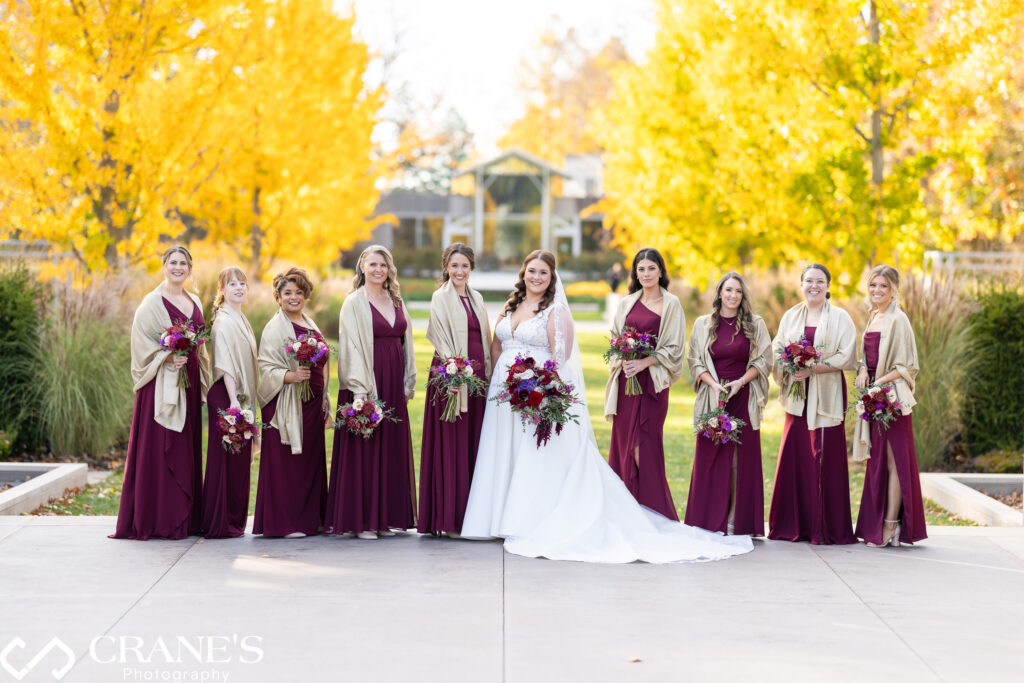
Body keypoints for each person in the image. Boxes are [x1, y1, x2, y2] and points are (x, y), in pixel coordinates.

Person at [461, 250, 753, 563]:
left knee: (536, 454)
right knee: (503, 451)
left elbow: (560, 358)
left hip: (538, 389)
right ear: (523, 272)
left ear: (552, 278)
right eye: (531, 270)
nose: (536, 277)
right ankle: (496, 517)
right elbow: (496, 343)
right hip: (503, 393)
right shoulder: (511, 303)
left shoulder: (555, 310)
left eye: (543, 273)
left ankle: (530, 517)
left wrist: (545, 389)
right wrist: (494, 379)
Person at [112, 246, 209, 540]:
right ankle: (159, 519)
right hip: (159, 387)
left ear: (189, 268)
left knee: (185, 445)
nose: (178, 268)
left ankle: (186, 518)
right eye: (172, 263)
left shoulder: (195, 301)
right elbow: (141, 344)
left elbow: (201, 345)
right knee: (163, 446)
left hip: (187, 383)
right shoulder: (151, 303)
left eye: (183, 263)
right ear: (164, 266)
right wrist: (166, 357)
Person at [325, 246, 417, 539]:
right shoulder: (354, 302)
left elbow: (407, 343)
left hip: (393, 381)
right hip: (366, 380)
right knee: (366, 448)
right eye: (373, 264)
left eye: (384, 265)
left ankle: (384, 518)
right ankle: (362, 521)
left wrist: (406, 380)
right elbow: (350, 348)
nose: (379, 269)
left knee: (389, 448)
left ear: (390, 269)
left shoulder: (396, 299)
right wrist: (360, 393)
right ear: (362, 266)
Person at [768, 264, 858, 545]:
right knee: (795, 455)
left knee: (824, 455)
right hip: (797, 395)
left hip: (827, 395)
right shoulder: (791, 316)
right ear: (801, 285)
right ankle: (792, 525)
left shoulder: (841, 317)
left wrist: (813, 368)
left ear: (828, 286)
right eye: (809, 281)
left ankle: (825, 527)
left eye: (820, 281)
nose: (814, 286)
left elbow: (847, 356)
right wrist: (788, 364)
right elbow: (777, 348)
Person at [685, 272, 773, 536]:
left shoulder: (755, 324)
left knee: (738, 460)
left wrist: (741, 382)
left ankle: (736, 518)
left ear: (743, 296)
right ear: (720, 293)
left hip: (742, 397)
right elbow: (694, 361)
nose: (733, 296)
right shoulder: (703, 324)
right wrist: (713, 385)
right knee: (710, 458)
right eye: (728, 290)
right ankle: (708, 519)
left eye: (738, 291)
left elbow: (764, 360)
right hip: (713, 399)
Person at [603, 248, 685, 519]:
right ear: (635, 273)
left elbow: (674, 348)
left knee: (644, 446)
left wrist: (645, 362)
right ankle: (627, 513)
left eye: (651, 268)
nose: (646, 274)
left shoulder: (671, 303)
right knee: (624, 444)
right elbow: (615, 335)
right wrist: (624, 355)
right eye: (641, 269)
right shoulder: (627, 302)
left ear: (661, 271)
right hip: (627, 383)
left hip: (652, 386)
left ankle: (656, 513)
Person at [418, 244, 491, 537]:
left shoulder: (477, 298)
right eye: (454, 265)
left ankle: (472, 517)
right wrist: (456, 369)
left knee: (473, 444)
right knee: (452, 445)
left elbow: (485, 335)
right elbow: (439, 335)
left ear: (471, 268)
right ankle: (449, 519)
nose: (459, 271)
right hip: (452, 377)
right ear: (446, 267)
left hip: (477, 379)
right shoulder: (440, 297)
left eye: (465, 266)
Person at [253, 267, 330, 538]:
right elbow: (265, 365)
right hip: (286, 404)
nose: (293, 297)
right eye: (287, 293)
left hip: (311, 405)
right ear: (278, 297)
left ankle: (312, 519)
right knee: (287, 462)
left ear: (306, 295)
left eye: (299, 292)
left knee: (309, 462)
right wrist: (291, 375)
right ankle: (286, 523)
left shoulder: (310, 323)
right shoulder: (275, 328)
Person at [853, 265, 927, 547]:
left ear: (893, 289)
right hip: (875, 398)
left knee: (895, 461)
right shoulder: (874, 316)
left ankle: (891, 526)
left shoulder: (899, 319)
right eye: (873, 286)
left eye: (883, 286)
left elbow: (907, 365)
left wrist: (879, 381)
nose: (877, 291)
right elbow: (867, 357)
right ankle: (880, 521)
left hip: (892, 400)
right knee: (879, 462)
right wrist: (862, 370)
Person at [201, 266, 258, 539]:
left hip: (238, 398)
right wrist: (234, 402)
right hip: (228, 396)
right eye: (232, 284)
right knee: (225, 465)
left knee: (237, 465)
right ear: (221, 290)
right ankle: (221, 522)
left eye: (242, 283)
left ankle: (234, 521)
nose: (238, 288)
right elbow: (225, 365)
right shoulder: (223, 321)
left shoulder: (240, 317)